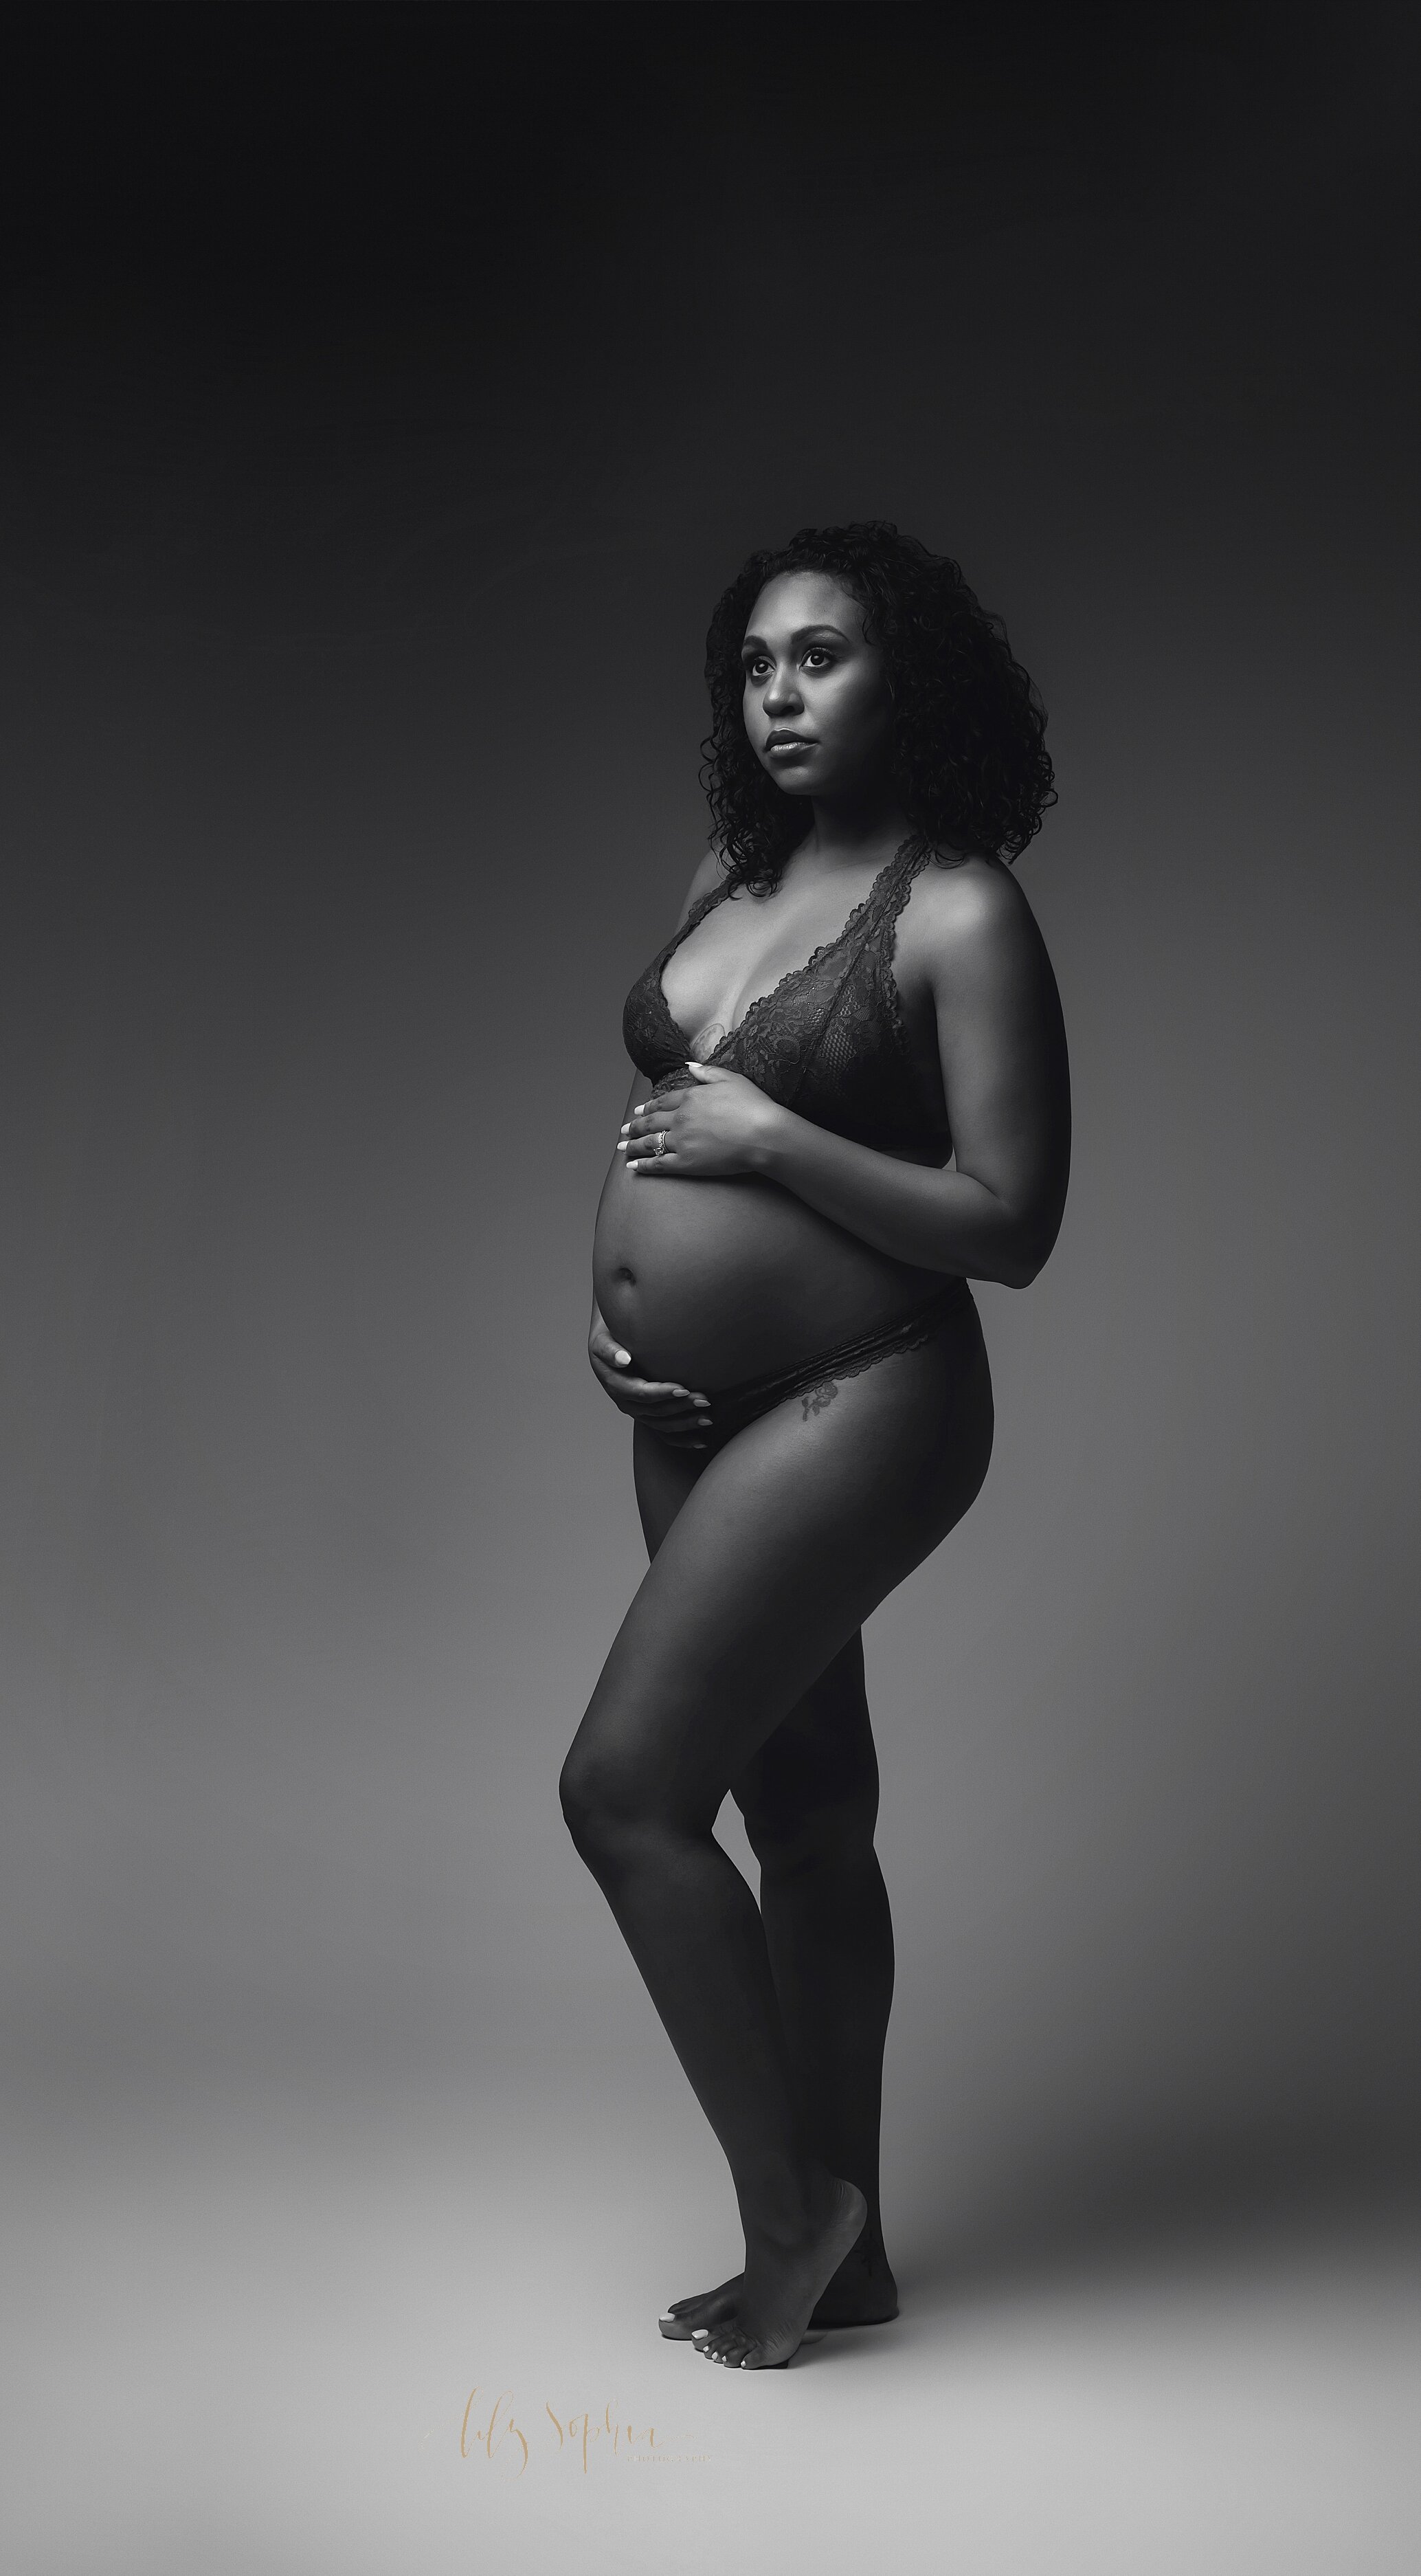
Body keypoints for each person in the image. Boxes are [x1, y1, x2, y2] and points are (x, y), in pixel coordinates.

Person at [560, 522, 1071, 2370]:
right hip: (690, 1416)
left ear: (904, 680)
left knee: (622, 1792)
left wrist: (772, 1148)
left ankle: (790, 2216)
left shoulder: (959, 914)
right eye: (757, 663)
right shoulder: (735, 870)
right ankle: (848, 2254)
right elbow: (655, 1124)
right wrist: (617, 1316)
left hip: (869, 1393)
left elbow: (1009, 1220)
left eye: (823, 657)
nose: (779, 692)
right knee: (804, 1810)